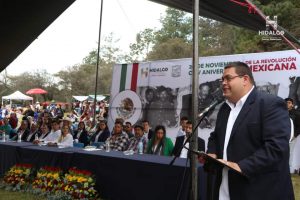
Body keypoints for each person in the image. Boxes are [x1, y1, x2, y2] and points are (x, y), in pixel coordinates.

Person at [206, 62, 294, 200]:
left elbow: (276, 147)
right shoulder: (224, 108)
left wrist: (241, 167)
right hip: (225, 189)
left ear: (245, 79)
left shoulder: (270, 104)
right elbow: (215, 136)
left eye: (228, 78)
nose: (223, 83)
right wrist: (211, 153)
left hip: (260, 190)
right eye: (222, 79)